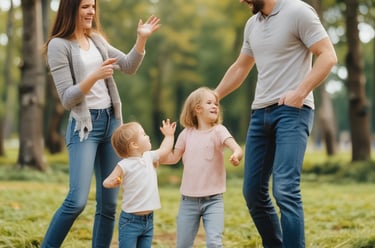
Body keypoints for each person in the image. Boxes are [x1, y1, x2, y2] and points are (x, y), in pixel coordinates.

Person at [214, 0, 337, 247]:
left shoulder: (298, 11)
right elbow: (241, 67)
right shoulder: (252, 24)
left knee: (285, 190)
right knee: (253, 193)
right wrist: (214, 96)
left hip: (293, 112)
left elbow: (328, 56)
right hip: (260, 114)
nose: (242, 1)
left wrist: (300, 92)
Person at [40, 0, 161, 246]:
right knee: (77, 201)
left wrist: (141, 40)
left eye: (93, 6)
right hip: (85, 127)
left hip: (112, 123)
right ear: (71, 8)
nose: (91, 12)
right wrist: (94, 75)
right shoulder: (58, 45)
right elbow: (67, 99)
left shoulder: (96, 40)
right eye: (85, 6)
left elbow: (128, 66)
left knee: (109, 203)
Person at [161, 87, 243, 248]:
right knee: (183, 244)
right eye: (209, 103)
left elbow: (237, 148)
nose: (215, 106)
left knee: (214, 242)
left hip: (214, 200)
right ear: (197, 109)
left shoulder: (219, 131)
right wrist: (155, 157)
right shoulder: (186, 134)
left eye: (216, 104)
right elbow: (172, 158)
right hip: (188, 201)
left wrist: (236, 154)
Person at [103, 119, 176, 248]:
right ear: (134, 145)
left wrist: (169, 136)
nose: (147, 136)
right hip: (130, 222)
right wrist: (112, 182)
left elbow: (164, 149)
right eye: (143, 134)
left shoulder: (149, 156)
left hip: (148, 220)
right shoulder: (124, 165)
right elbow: (106, 182)